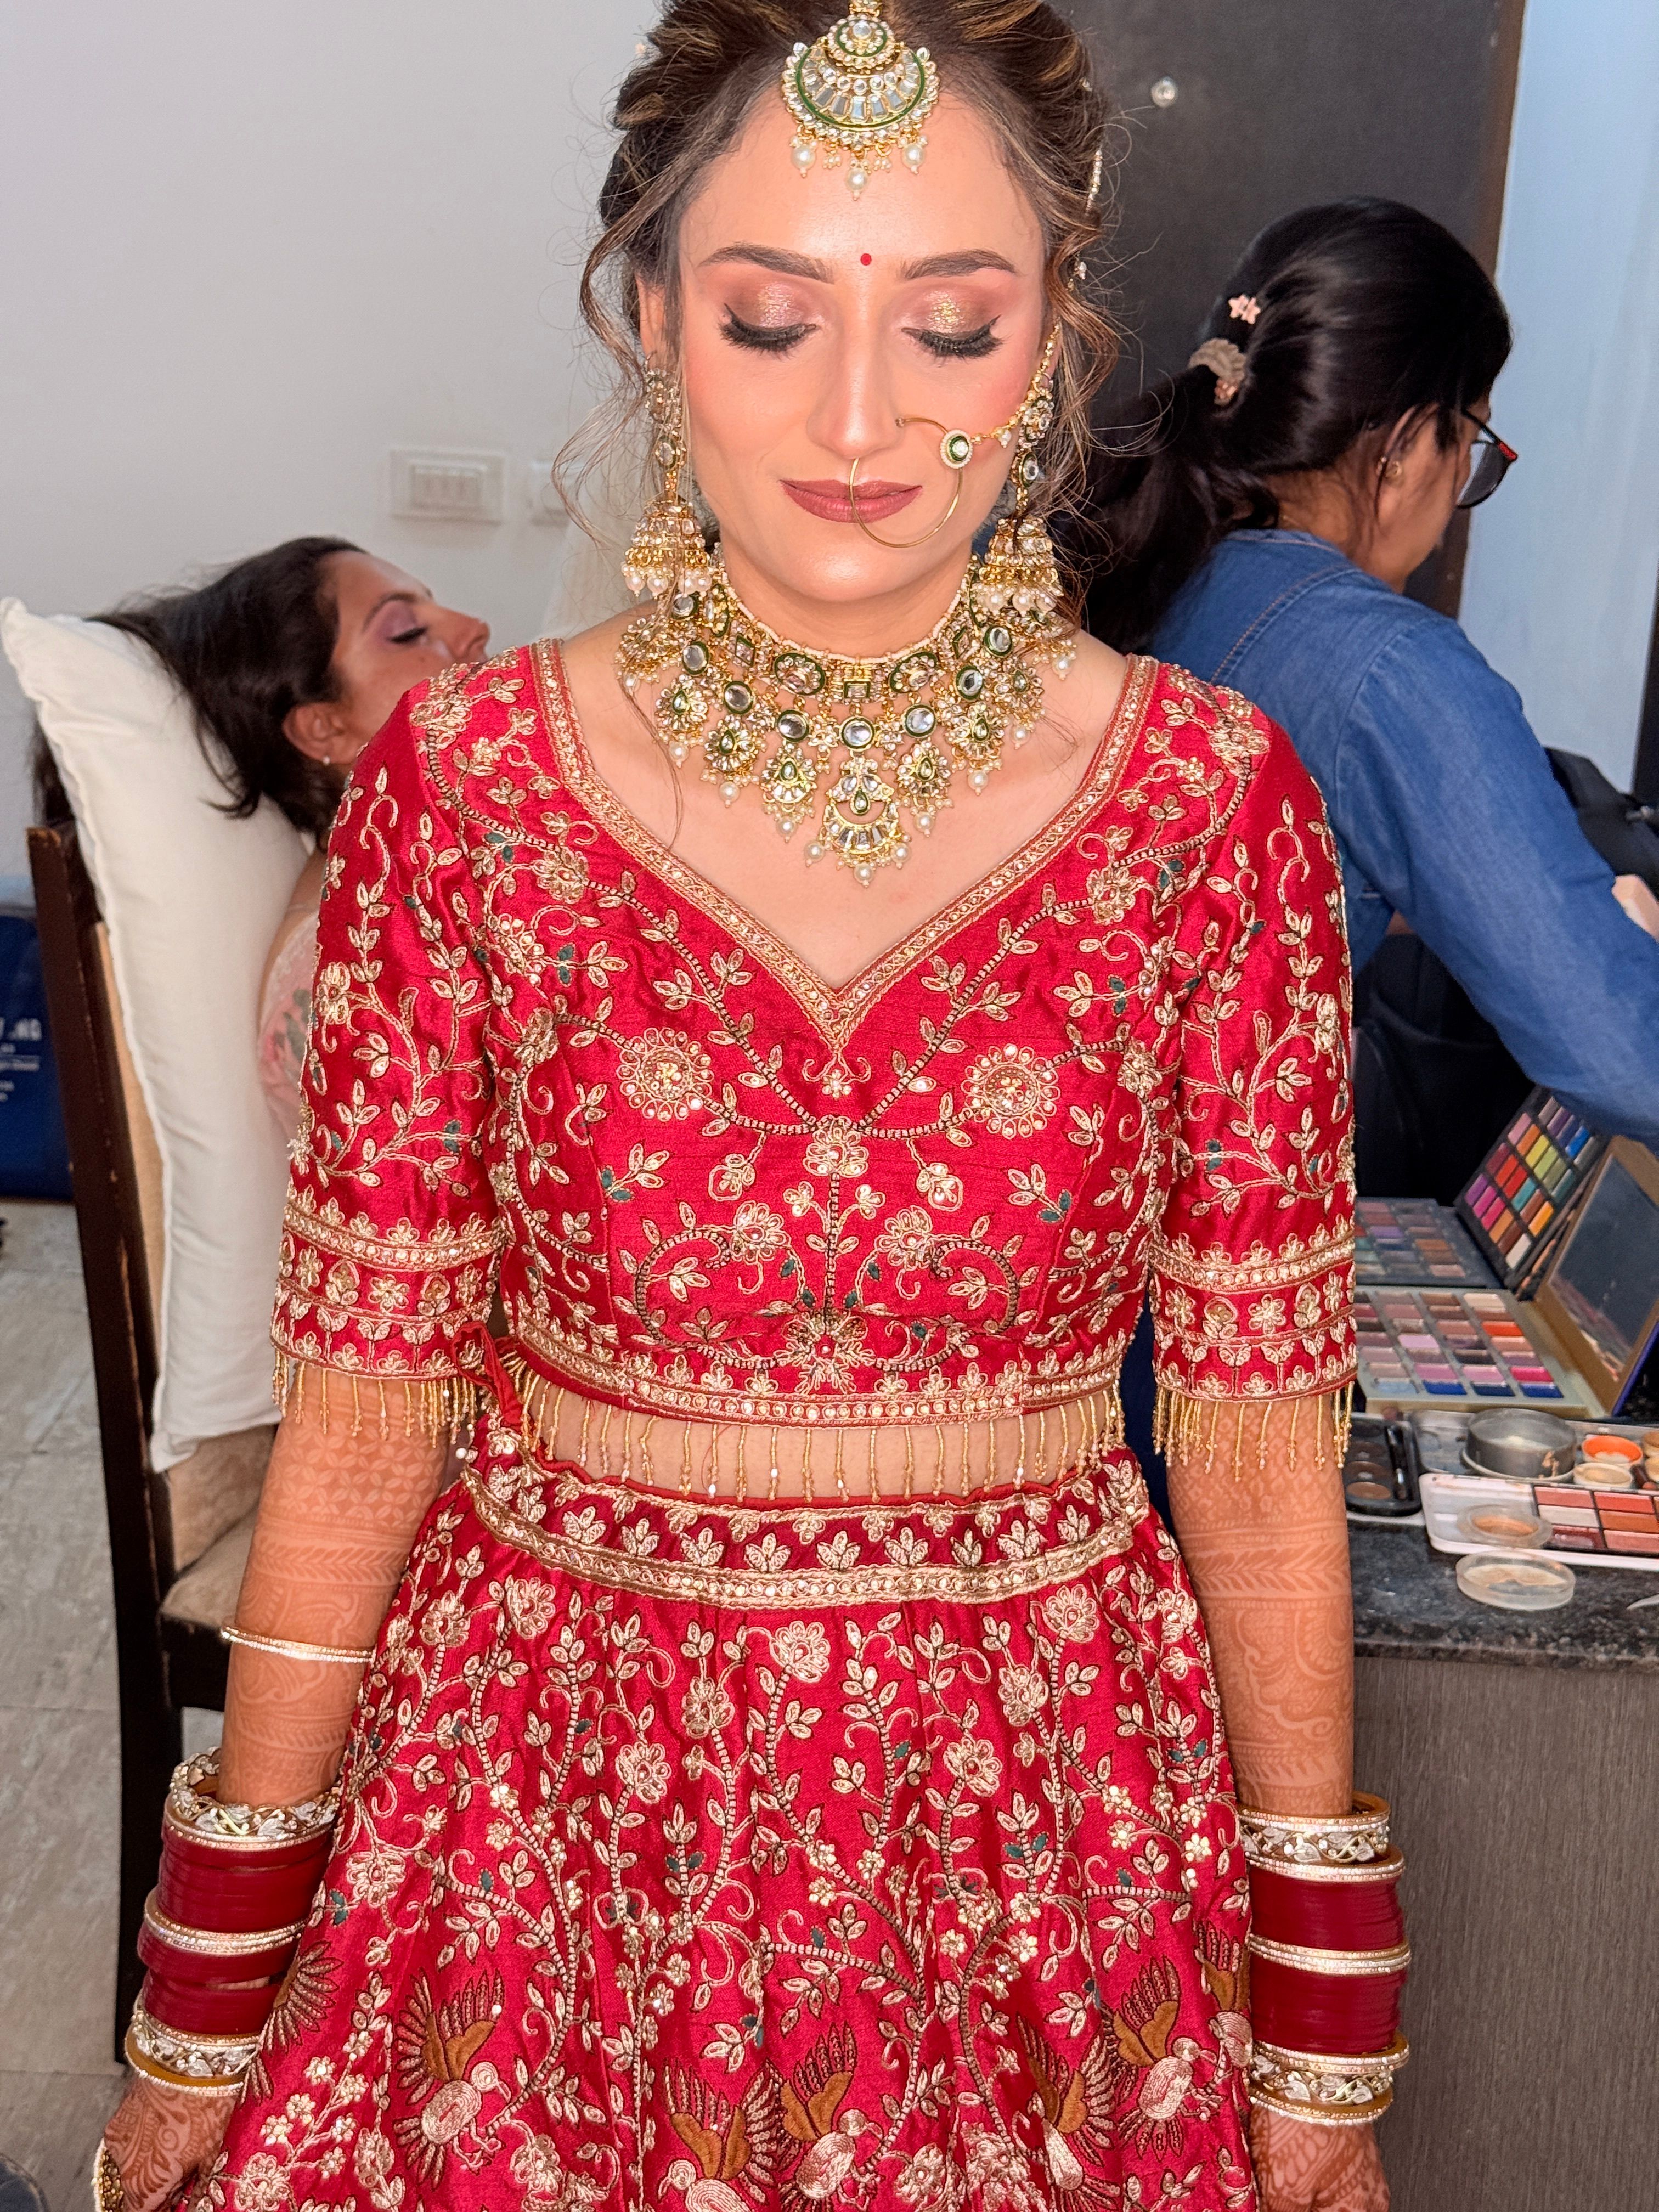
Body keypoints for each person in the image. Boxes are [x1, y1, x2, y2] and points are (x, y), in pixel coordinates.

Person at [101, 10, 1399, 2210]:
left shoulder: (1202, 811)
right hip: (538, 1831)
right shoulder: (473, 795)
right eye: (772, 319)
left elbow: (1265, 1469)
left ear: (1056, 336)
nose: (862, 417)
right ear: (648, 318)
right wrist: (208, 1995)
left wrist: (1324, 2032)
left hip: (1034, 1850)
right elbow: (368, 1424)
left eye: (953, 324)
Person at [1086, 197, 1659, 1181]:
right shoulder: (1388, 668)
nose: (1458, 493)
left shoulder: (1150, 576)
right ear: (1402, 443)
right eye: (1470, 444)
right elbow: (1621, 1054)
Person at [44, 539, 490, 1135]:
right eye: (407, 631)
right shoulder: (347, 980)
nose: (475, 629)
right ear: (324, 728)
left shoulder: (459, 863)